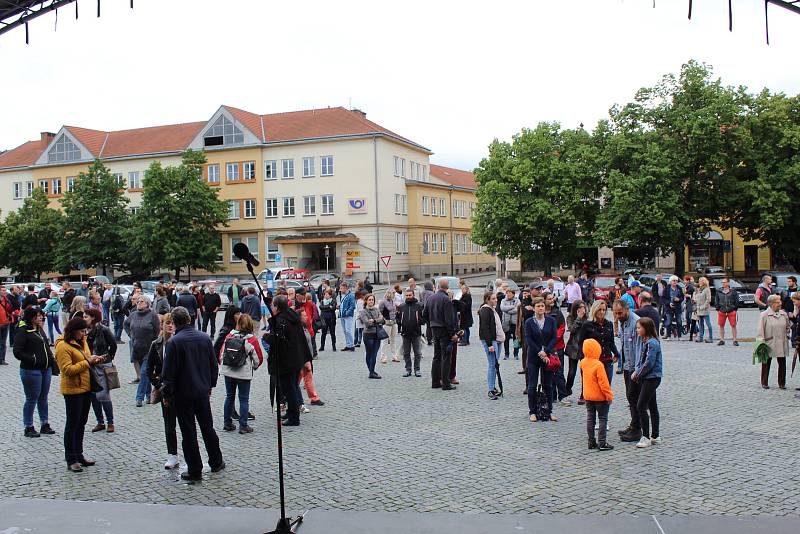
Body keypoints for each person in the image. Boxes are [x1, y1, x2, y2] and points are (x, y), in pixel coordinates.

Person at [160, 307, 225, 481]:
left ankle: (195, 469)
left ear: (174, 322)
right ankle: (216, 461)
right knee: (208, 428)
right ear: (189, 319)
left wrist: (166, 395)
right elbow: (214, 365)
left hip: (182, 395)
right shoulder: (204, 338)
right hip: (202, 391)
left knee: (189, 433)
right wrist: (211, 385)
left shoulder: (175, 342)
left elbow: (168, 374)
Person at [55, 317, 104, 472]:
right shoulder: (63, 346)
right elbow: (67, 369)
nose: (84, 334)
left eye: (85, 331)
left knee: (81, 423)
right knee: (72, 424)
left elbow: (86, 359)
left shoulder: (82, 341)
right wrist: (88, 362)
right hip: (73, 389)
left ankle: (79, 454)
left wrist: (94, 360)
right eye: (81, 331)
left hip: (86, 387)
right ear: (73, 330)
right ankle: (71, 458)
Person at [14, 307, 58, 438]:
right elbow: (17, 351)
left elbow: (46, 347)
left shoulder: (39, 329)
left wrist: (52, 362)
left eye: (41, 315)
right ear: (31, 317)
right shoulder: (23, 331)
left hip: (46, 369)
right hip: (31, 370)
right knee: (32, 398)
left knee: (43, 397)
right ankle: (28, 426)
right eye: (38, 315)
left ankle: (44, 423)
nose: (41, 317)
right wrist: (32, 359)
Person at [266, 296, 310, 426]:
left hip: (287, 359)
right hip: (296, 357)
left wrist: (268, 337)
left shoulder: (281, 320)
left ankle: (294, 417)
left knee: (289, 388)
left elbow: (278, 341)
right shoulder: (292, 316)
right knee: (291, 386)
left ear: (277, 307)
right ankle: (291, 412)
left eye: (274, 305)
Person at [146, 313, 181, 469]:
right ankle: (172, 455)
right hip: (166, 390)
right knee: (169, 424)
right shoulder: (157, 344)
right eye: (167, 323)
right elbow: (149, 369)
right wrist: (158, 384)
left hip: (182, 388)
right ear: (162, 325)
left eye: (173, 323)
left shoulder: (181, 342)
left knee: (186, 422)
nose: (170, 326)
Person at [219, 314, 263, 434]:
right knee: (244, 399)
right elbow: (258, 358)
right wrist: (253, 367)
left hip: (228, 372)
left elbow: (221, 354)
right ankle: (243, 425)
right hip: (243, 373)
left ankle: (227, 423)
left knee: (229, 397)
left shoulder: (229, 336)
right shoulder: (251, 339)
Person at [612, 299, 642, 443]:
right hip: (626, 365)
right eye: (616, 313)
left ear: (627, 309)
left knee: (633, 396)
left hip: (634, 367)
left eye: (620, 313)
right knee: (630, 397)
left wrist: (637, 370)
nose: (618, 316)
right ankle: (634, 424)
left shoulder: (636, 322)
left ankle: (637, 428)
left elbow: (639, 348)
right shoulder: (623, 322)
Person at [124, 295, 161, 407]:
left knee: (144, 372)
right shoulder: (133, 314)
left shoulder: (152, 315)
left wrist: (153, 341)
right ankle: (149, 395)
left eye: (141, 301)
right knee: (146, 375)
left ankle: (139, 398)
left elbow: (157, 330)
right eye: (138, 301)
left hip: (149, 349)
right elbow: (125, 324)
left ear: (147, 303)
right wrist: (131, 335)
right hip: (137, 348)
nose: (138, 303)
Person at [632, 317, 663, 448]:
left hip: (652, 377)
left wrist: (638, 373)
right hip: (649, 377)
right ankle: (655, 435)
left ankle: (645, 436)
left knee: (641, 405)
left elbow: (649, 362)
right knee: (652, 405)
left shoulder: (652, 343)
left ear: (646, 328)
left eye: (639, 328)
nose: (637, 330)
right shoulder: (647, 341)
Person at [524, 297, 557, 422]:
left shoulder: (551, 321)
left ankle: (549, 410)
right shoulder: (529, 322)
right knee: (532, 385)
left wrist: (546, 351)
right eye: (538, 306)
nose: (541, 308)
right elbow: (529, 339)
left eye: (542, 306)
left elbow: (554, 337)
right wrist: (539, 352)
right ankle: (532, 411)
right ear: (533, 308)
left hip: (547, 356)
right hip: (534, 356)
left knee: (548, 384)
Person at [85, 308, 117, 434]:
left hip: (103, 364)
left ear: (93, 317)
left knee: (103, 394)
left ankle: (110, 422)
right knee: (93, 395)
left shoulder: (103, 329)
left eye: (86, 317)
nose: (84, 319)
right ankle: (100, 422)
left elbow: (113, 345)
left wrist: (108, 358)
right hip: (90, 364)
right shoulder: (84, 331)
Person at [580, 338, 614, 451]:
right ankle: (602, 443)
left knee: (590, 419)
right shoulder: (598, 365)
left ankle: (591, 441)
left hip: (588, 396)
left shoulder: (583, 363)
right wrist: (609, 396)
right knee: (603, 419)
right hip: (600, 397)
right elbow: (604, 383)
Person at [427, 279, 459, 391]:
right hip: (444, 331)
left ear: (438, 286)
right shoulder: (446, 300)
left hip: (434, 329)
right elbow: (449, 320)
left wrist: (431, 323)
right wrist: (453, 334)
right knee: (446, 357)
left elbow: (424, 314)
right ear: (447, 287)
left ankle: (435, 381)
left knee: (436, 356)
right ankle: (445, 383)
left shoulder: (430, 298)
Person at [579, 300, 619, 384]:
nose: (602, 312)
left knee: (606, 387)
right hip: (593, 361)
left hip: (607, 360)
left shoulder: (609, 324)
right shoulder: (587, 325)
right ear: (594, 310)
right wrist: (583, 360)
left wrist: (616, 354)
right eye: (599, 309)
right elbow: (581, 344)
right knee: (594, 389)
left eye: (604, 310)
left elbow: (611, 342)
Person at [757, 294, 791, 390]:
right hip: (769, 342)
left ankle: (782, 383)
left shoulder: (783, 314)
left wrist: (787, 334)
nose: (780, 304)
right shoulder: (764, 315)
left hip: (781, 342)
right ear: (771, 304)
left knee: (782, 363)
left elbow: (788, 326)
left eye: (780, 301)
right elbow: (760, 330)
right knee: (766, 363)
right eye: (778, 302)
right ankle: (764, 382)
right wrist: (761, 343)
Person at [545, 291, 569, 405]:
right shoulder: (542, 313)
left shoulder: (557, 313)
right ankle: (552, 394)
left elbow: (562, 327)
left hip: (558, 346)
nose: (551, 300)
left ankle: (562, 395)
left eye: (552, 298)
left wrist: (554, 338)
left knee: (559, 371)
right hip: (546, 347)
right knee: (548, 372)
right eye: (549, 299)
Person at [478, 291, 504, 399]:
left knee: (495, 365)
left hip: (497, 339)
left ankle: (493, 387)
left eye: (495, 298)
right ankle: (490, 389)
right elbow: (485, 328)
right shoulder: (485, 310)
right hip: (491, 340)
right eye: (493, 299)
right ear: (487, 300)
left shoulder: (492, 309)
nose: (496, 300)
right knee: (492, 364)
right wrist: (489, 344)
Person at [297, 309, 323, 407]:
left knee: (306, 378)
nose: (306, 317)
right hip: (302, 358)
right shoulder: (298, 329)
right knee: (298, 380)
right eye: (304, 315)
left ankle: (313, 398)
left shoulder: (304, 327)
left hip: (306, 357)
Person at [397, 288, 424, 378]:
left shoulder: (419, 305)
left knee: (417, 353)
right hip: (405, 333)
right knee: (406, 353)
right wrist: (400, 325)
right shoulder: (402, 306)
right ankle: (408, 369)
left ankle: (417, 369)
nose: (408, 297)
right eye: (407, 295)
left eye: (410, 295)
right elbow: (398, 318)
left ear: (413, 295)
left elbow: (424, 317)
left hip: (416, 332)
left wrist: (419, 321)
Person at [565, 300, 587, 405]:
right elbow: (572, 330)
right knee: (571, 372)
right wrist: (578, 318)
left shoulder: (587, 318)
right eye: (580, 307)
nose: (582, 309)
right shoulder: (570, 317)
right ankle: (567, 390)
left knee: (585, 374)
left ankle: (584, 394)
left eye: (584, 307)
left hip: (584, 349)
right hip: (573, 348)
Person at [359, 293, 385, 379]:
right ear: (366, 301)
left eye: (372, 300)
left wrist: (373, 320)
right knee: (369, 354)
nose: (371, 301)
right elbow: (367, 323)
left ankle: (371, 372)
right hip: (368, 335)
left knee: (374, 354)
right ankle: (371, 371)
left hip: (377, 334)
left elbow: (382, 319)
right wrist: (377, 321)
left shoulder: (377, 310)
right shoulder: (363, 311)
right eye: (369, 300)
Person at [378, 289, 400, 364]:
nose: (394, 295)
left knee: (393, 340)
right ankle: (383, 356)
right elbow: (379, 312)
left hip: (394, 322)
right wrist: (383, 320)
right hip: (386, 322)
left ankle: (394, 355)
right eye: (393, 294)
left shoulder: (393, 301)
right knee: (385, 340)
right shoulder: (383, 302)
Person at [500, 289, 520, 360]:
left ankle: (516, 354)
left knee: (516, 339)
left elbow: (517, 309)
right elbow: (502, 308)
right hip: (506, 322)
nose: (508, 295)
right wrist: (512, 307)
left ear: (513, 294)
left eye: (509, 293)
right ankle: (506, 354)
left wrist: (507, 310)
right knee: (506, 339)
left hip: (514, 323)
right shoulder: (503, 300)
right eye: (507, 293)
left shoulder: (517, 300)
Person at [664, 276, 684, 340]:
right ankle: (669, 336)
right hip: (669, 308)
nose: (675, 282)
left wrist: (679, 299)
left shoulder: (679, 288)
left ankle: (679, 336)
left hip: (677, 307)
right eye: (674, 281)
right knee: (669, 322)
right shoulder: (667, 288)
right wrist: (669, 303)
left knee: (679, 322)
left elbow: (682, 297)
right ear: (670, 282)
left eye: (676, 281)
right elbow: (663, 298)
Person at [694, 277, 713, 343]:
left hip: (705, 309)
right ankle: (701, 337)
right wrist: (695, 292)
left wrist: (704, 306)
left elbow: (708, 299)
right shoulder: (699, 289)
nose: (699, 282)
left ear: (704, 282)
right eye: (699, 281)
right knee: (700, 324)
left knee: (708, 323)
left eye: (700, 281)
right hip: (699, 309)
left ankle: (711, 337)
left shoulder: (707, 289)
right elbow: (696, 299)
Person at [339, 283, 356, 352]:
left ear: (345, 288)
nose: (340, 290)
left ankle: (352, 345)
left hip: (347, 316)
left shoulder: (351, 296)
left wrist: (347, 312)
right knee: (345, 331)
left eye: (341, 288)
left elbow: (352, 306)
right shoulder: (343, 295)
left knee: (348, 330)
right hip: (342, 315)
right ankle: (348, 344)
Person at [0, 284, 14, 365]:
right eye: (3, 290)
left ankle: (2, 359)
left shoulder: (7, 300)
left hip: (6, 323)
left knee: (3, 343)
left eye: (5, 290)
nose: (4, 292)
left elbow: (10, 310)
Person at [421, 281, 435, 345]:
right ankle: (432, 338)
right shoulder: (432, 293)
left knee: (428, 326)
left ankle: (428, 339)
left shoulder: (422, 293)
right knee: (432, 326)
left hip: (424, 311)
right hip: (431, 311)